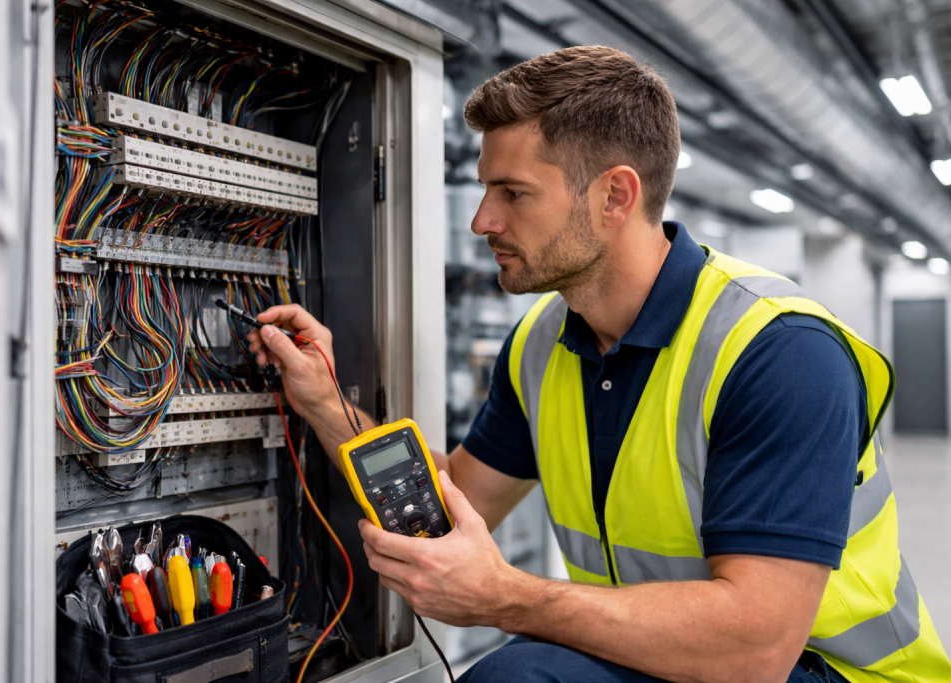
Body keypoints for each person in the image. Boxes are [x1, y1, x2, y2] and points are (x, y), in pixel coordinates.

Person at [248, 46, 950, 683]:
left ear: (615, 195)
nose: (481, 220)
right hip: (670, 657)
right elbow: (448, 499)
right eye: (487, 189)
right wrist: (324, 402)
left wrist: (506, 597)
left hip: (824, 670)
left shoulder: (778, 353)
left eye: (513, 193)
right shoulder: (542, 345)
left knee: (519, 676)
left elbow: (756, 648)